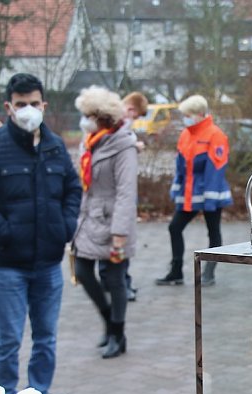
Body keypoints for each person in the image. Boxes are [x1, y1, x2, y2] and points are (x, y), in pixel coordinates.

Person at [0, 73, 81, 394]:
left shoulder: (54, 146)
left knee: (46, 339)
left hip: (48, 264)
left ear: (44, 105)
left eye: (34, 103)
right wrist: (2, 229)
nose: (28, 110)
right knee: (9, 340)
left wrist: (65, 225)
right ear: (8, 108)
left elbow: (73, 188)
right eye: (21, 104)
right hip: (7, 265)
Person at [73, 86, 138, 359]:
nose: (84, 120)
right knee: (82, 271)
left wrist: (120, 235)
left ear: (103, 117)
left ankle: (118, 334)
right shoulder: (90, 141)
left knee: (113, 278)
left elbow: (126, 191)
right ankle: (108, 320)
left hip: (114, 222)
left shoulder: (124, 145)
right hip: (90, 217)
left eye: (89, 115)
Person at [155, 94, 231, 286]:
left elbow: (216, 168)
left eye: (188, 114)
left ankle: (209, 273)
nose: (185, 118)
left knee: (213, 230)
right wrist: (177, 187)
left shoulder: (216, 135)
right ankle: (176, 271)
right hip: (190, 193)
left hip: (209, 193)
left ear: (199, 114)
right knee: (175, 227)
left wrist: (210, 200)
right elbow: (180, 164)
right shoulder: (186, 134)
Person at [98, 91, 148, 303]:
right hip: (112, 196)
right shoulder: (110, 126)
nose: (132, 120)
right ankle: (115, 283)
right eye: (135, 116)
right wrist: (132, 146)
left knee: (119, 239)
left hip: (118, 194)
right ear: (130, 110)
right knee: (114, 239)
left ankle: (118, 281)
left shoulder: (120, 128)